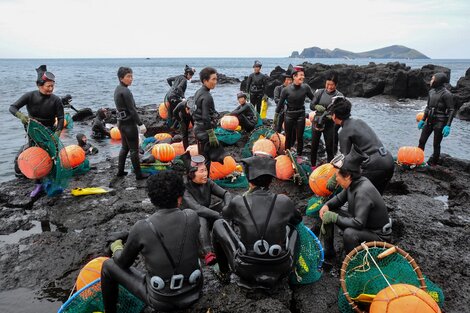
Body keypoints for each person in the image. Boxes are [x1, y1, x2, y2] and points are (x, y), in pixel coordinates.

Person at [101, 171, 203, 313]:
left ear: (152, 199)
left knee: (108, 266)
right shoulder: (192, 217)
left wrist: (116, 245)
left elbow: (122, 263)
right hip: (195, 291)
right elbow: (172, 232)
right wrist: (130, 235)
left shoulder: (142, 227)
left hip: (162, 301)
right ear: (180, 199)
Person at [211, 154, 302, 288]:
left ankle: (224, 272)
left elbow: (225, 215)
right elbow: (297, 219)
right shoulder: (284, 201)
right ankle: (293, 272)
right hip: (282, 268)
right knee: (294, 229)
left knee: (218, 225)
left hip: (244, 269)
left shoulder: (239, 202)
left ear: (249, 180)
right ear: (271, 180)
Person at [319, 146, 392, 256]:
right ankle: (329, 251)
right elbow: (338, 199)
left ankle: (355, 264)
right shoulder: (353, 183)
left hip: (378, 236)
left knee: (349, 233)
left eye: (337, 174)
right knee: (328, 213)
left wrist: (334, 217)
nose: (336, 178)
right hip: (365, 227)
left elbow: (358, 223)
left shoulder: (362, 191)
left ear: (347, 176)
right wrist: (327, 205)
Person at [9, 65, 64, 197]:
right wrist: (21, 116)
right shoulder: (30, 96)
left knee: (52, 157)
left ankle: (51, 183)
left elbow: (61, 118)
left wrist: (57, 133)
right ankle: (38, 185)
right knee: (36, 158)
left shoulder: (56, 100)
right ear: (39, 85)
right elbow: (12, 107)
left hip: (50, 132)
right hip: (33, 132)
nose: (51, 89)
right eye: (48, 86)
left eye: (52, 86)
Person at [329, 97, 394, 194]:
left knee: (355, 189)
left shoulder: (344, 132)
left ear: (334, 116)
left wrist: (335, 178)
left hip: (375, 165)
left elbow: (346, 162)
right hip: (388, 160)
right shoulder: (358, 121)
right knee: (376, 195)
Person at [183, 155, 232, 266]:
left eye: (205, 170)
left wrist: (227, 208)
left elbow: (226, 194)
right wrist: (218, 215)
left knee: (225, 205)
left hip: (207, 213)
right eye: (201, 171)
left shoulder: (208, 182)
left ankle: (230, 237)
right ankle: (208, 252)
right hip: (191, 220)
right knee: (201, 216)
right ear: (192, 174)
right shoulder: (185, 187)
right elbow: (197, 208)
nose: (205, 174)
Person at [114, 67, 149, 180]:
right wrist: (140, 124)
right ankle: (139, 175)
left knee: (125, 147)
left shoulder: (117, 89)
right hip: (129, 124)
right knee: (134, 149)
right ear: (121, 78)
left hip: (121, 123)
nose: (131, 79)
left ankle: (120, 171)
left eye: (131, 76)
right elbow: (132, 110)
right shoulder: (126, 91)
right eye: (128, 76)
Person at [274, 66, 314, 157]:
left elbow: (314, 100)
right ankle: (286, 155)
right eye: (301, 75)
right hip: (289, 115)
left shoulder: (306, 87)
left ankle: (299, 155)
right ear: (294, 76)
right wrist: (275, 117)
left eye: (303, 75)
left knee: (299, 137)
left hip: (301, 114)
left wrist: (318, 106)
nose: (303, 77)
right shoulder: (286, 90)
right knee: (288, 137)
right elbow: (280, 104)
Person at [418, 72, 455, 166]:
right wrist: (423, 119)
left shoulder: (447, 94)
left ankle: (433, 165)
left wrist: (448, 126)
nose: (431, 81)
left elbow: (451, 110)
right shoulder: (431, 91)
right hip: (429, 120)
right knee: (422, 141)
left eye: (433, 79)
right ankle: (418, 160)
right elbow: (427, 107)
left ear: (438, 81)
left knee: (436, 144)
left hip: (440, 122)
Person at [310, 72, 344, 167]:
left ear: (336, 85)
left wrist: (331, 116)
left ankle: (329, 167)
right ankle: (313, 166)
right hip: (317, 122)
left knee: (330, 148)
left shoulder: (339, 95)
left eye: (332, 85)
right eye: (327, 84)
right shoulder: (320, 92)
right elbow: (311, 105)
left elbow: (342, 112)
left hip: (330, 125)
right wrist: (316, 106)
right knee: (314, 146)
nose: (329, 87)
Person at [192, 67, 221, 168]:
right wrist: (211, 135)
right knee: (206, 160)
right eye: (213, 79)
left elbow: (193, 110)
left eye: (216, 79)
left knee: (201, 158)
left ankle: (200, 179)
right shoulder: (207, 96)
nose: (215, 82)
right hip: (204, 131)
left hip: (197, 129)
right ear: (205, 80)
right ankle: (205, 180)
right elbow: (205, 117)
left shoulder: (198, 92)